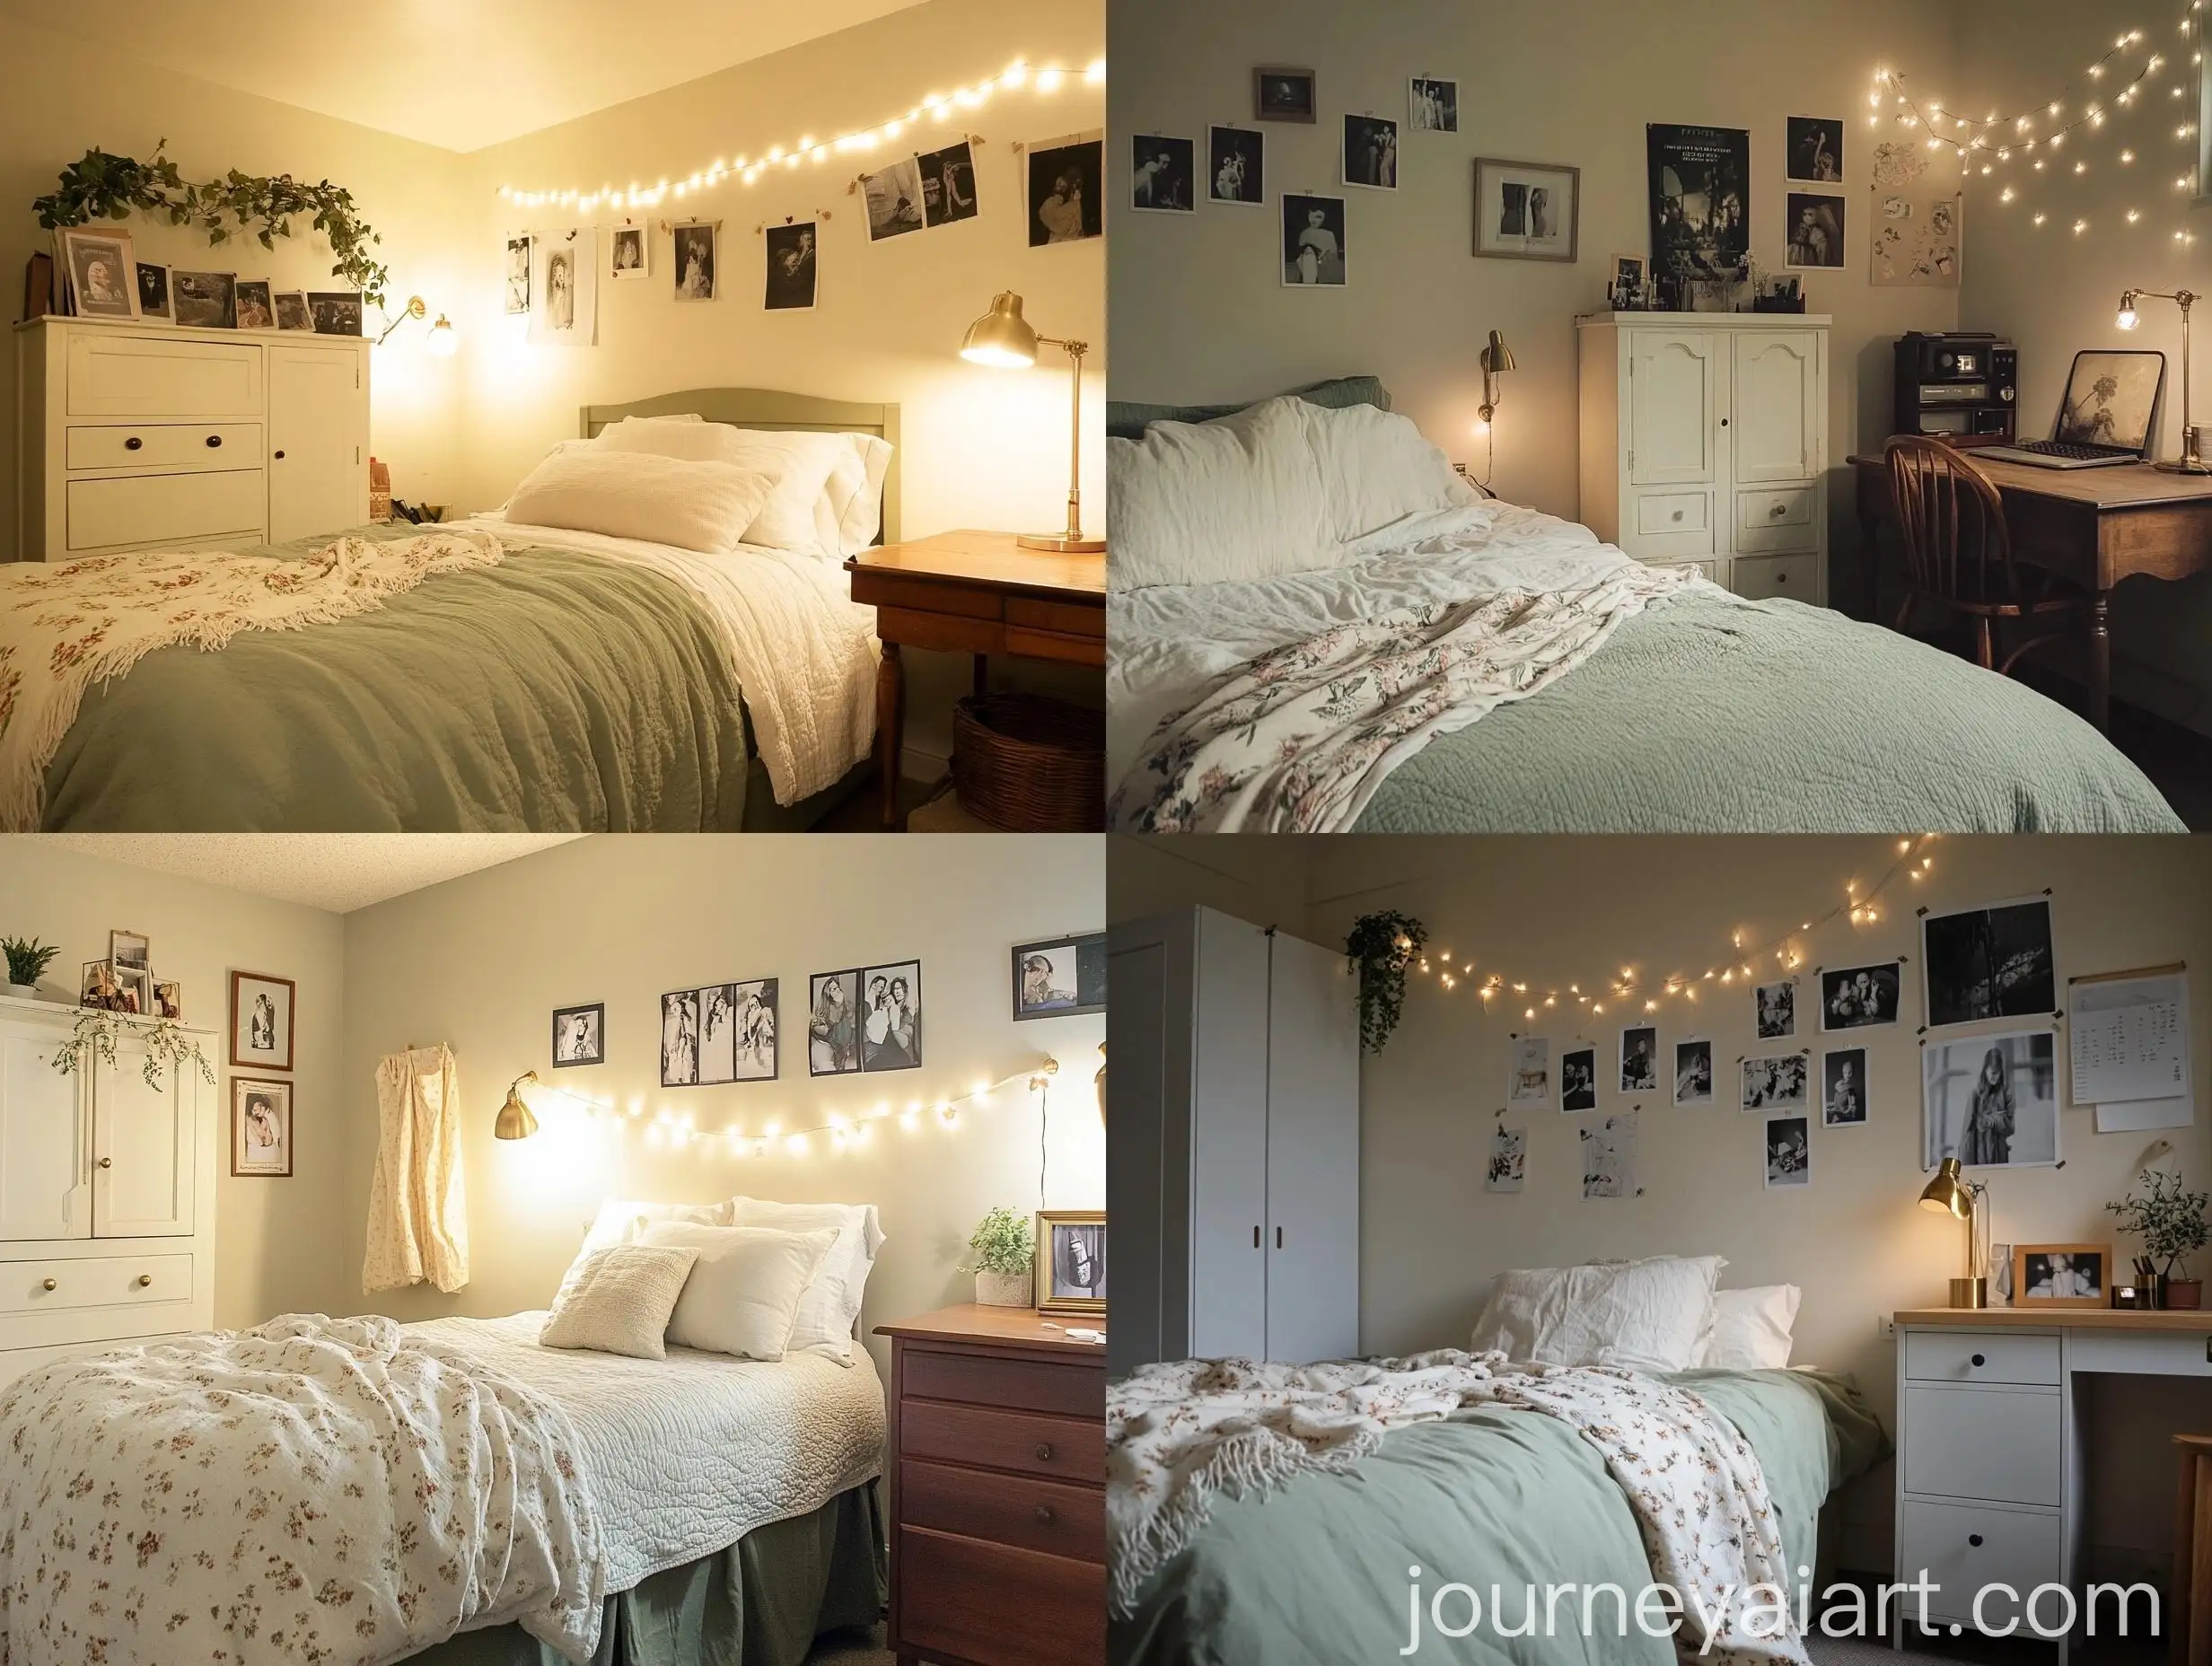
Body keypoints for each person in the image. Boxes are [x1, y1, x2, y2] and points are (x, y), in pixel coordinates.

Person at [1961, 1045, 2014, 1166]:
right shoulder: (1975, 1094)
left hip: (1999, 1153)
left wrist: (1992, 1120)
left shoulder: (2005, 1093)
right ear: (1985, 1070)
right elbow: (1967, 1130)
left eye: (1998, 1073)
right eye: (1992, 1072)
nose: (1994, 1077)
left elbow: (2011, 1128)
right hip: (1978, 1151)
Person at [810, 977, 855, 1073]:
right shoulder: (822, 1007)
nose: (833, 992)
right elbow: (816, 1026)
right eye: (830, 990)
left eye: (835, 988)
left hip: (842, 1047)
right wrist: (818, 1028)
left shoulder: (848, 1007)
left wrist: (840, 1004)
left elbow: (850, 1028)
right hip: (824, 1044)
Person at [1291, 205, 1338, 284]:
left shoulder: (1329, 235)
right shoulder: (1304, 234)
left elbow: (1333, 257)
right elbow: (1299, 256)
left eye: (1318, 217)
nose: (1314, 220)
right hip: (1307, 269)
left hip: (1324, 269)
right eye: (1311, 215)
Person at [1039, 171, 1085, 241]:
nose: (1060, 188)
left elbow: (1078, 226)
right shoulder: (1050, 204)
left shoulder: (1074, 204)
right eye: (1059, 185)